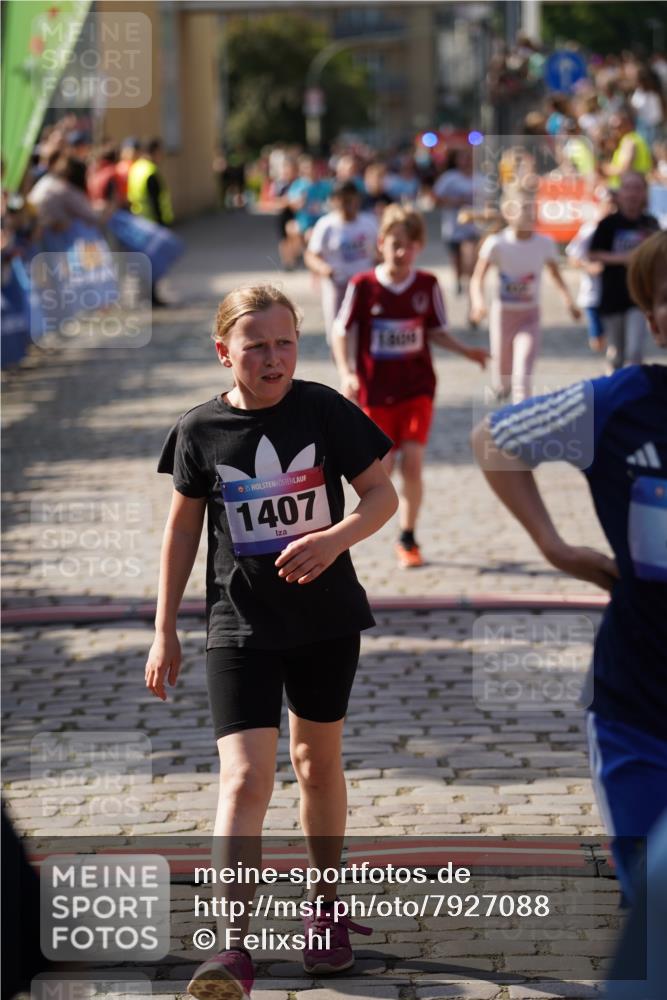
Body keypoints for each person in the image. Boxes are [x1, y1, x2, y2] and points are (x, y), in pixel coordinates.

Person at [146, 285, 398, 998]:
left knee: (316, 765)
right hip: (238, 626)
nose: (272, 357)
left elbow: (382, 495)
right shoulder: (199, 430)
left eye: (284, 341)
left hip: (325, 622)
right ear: (224, 351)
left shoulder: (322, 409)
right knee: (245, 778)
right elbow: (182, 532)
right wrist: (164, 629)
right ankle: (231, 949)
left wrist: (333, 538)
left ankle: (326, 910)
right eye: (254, 345)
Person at [471, 230, 667, 908]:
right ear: (650, 317)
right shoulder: (614, 405)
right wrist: (556, 548)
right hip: (637, 706)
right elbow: (493, 439)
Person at [332, 204, 488, 569]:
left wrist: (467, 351)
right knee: (379, 471)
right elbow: (342, 331)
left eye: (410, 245)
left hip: (417, 388)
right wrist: (346, 372)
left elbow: (435, 331)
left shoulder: (427, 285)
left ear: (419, 247)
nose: (402, 253)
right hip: (375, 391)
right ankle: (345, 538)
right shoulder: (363, 286)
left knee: (413, 463)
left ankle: (408, 535)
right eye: (396, 244)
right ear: (381, 243)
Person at [469, 191, 581, 403]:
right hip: (503, 316)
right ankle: (503, 393)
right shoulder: (496, 243)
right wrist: (478, 303)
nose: (530, 214)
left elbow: (555, 274)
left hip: (530, 316)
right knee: (502, 380)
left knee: (522, 376)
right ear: (508, 212)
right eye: (524, 208)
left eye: (533, 209)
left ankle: (521, 419)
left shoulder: (545, 243)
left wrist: (569, 302)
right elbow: (477, 278)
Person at [589, 171, 659, 372]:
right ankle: (613, 394)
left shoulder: (650, 224)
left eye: (637, 188)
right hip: (612, 296)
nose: (632, 194)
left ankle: (631, 396)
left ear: (644, 193)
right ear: (619, 193)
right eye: (628, 188)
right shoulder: (608, 224)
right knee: (616, 354)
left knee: (635, 351)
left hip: (638, 299)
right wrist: (623, 259)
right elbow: (593, 254)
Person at [304, 180, 378, 346]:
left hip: (364, 287)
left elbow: (379, 252)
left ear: (358, 199)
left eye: (351, 199)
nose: (348, 204)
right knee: (337, 333)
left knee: (365, 332)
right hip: (337, 286)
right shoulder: (326, 225)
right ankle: (342, 366)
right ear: (335, 201)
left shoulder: (369, 223)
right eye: (343, 200)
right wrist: (323, 268)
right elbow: (311, 255)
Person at [565, 187, 616, 353]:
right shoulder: (589, 230)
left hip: (615, 295)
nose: (611, 209)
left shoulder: (621, 230)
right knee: (598, 341)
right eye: (608, 205)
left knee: (615, 340)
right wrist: (589, 267)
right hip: (593, 295)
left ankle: (612, 368)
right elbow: (573, 258)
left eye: (614, 205)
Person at [127, 138, 174, 305]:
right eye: (160, 152)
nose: (162, 156)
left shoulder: (136, 168)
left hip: (138, 221)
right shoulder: (150, 171)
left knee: (144, 261)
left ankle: (144, 295)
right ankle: (151, 296)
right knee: (154, 262)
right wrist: (162, 225)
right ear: (154, 152)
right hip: (152, 223)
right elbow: (155, 201)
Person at [433, 148, 484, 300]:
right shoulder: (449, 178)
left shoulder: (482, 178)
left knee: (470, 255)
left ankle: (471, 283)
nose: (467, 161)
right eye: (463, 157)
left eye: (469, 157)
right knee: (456, 258)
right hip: (453, 226)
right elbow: (435, 199)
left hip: (474, 227)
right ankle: (458, 279)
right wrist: (455, 201)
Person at [602, 108, 653, 189]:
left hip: (626, 189)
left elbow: (625, 169)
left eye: (617, 127)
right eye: (612, 128)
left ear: (628, 125)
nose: (614, 131)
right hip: (637, 185)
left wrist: (606, 170)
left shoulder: (628, 141)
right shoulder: (638, 138)